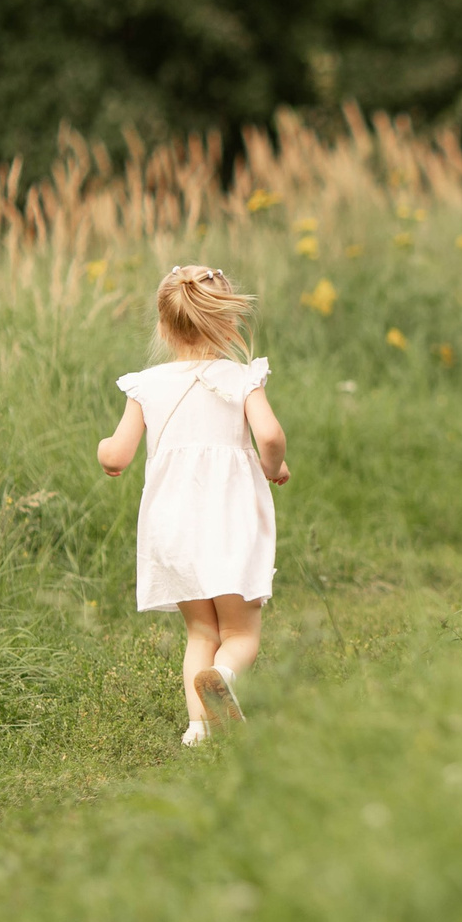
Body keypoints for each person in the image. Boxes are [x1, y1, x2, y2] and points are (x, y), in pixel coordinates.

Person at [96, 265, 289, 744]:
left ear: (164, 326)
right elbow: (269, 435)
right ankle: (223, 676)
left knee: (201, 632)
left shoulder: (147, 385)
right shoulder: (243, 378)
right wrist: (273, 466)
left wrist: (105, 453)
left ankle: (198, 729)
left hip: (173, 524)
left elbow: (117, 454)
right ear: (227, 324)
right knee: (240, 633)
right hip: (231, 521)